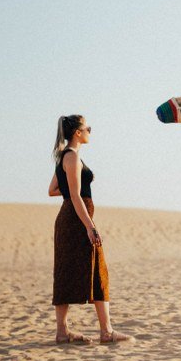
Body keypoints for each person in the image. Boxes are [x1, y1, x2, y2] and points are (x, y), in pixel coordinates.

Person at [48, 115, 132, 345]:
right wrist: (90, 226)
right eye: (88, 128)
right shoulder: (72, 158)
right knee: (97, 270)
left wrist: (72, 194)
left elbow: (53, 190)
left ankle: (64, 332)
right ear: (77, 132)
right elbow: (75, 196)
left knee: (69, 272)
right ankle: (105, 332)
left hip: (71, 218)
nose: (90, 132)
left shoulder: (64, 157)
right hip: (77, 221)